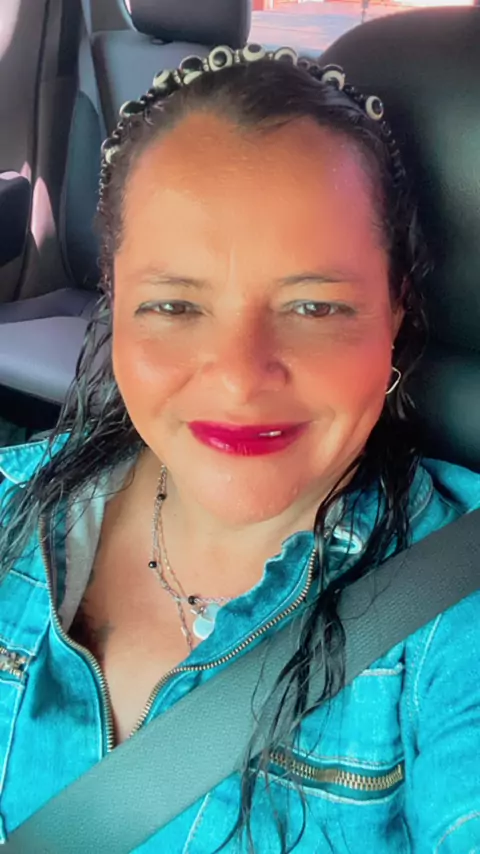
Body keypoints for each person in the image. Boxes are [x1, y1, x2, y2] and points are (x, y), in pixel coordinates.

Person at [0, 43, 479, 853]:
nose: (238, 377)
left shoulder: (455, 610)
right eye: (175, 306)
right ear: (115, 300)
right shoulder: (10, 506)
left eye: (316, 307)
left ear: (396, 310)